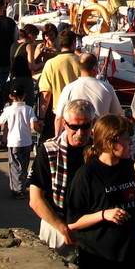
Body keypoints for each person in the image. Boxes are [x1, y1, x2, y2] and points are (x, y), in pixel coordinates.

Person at [65, 113, 135, 269]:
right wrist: (103, 214)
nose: (131, 142)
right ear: (110, 142)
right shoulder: (87, 174)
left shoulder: (130, 166)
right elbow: (72, 223)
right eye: (126, 138)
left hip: (133, 257)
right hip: (101, 259)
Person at [29, 98, 96, 260]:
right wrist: (61, 227)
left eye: (85, 126)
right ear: (64, 124)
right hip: (56, 224)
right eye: (74, 127)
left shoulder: (100, 150)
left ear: (93, 123)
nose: (80, 133)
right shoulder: (49, 149)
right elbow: (35, 199)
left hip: (92, 226)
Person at [0, 80, 41, 198]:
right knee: (24, 165)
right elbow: (33, 125)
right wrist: (39, 127)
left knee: (14, 165)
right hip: (26, 142)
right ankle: (22, 185)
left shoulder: (8, 110)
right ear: (24, 95)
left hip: (13, 142)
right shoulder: (29, 109)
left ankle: (17, 189)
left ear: (10, 96)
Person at [39, 28, 82, 137]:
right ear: (74, 43)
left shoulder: (51, 63)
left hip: (59, 113)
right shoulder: (81, 62)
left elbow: (46, 94)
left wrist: (41, 118)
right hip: (79, 111)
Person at [56, 53, 123, 120]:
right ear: (95, 68)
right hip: (98, 129)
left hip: (74, 129)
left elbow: (59, 118)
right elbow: (117, 114)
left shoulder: (68, 88)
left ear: (79, 67)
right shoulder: (107, 88)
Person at [9, 24, 40, 103]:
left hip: (14, 79)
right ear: (30, 35)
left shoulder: (13, 45)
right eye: (35, 36)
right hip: (25, 80)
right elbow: (32, 67)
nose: (35, 39)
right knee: (28, 104)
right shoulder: (29, 46)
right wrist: (44, 63)